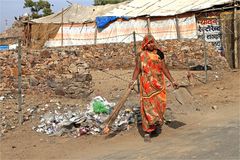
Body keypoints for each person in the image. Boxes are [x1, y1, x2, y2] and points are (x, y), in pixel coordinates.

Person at [130, 34, 178, 142]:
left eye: (153, 42)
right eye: (149, 43)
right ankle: (147, 131)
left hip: (159, 85)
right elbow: (137, 69)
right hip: (146, 86)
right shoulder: (141, 55)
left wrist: (172, 80)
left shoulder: (159, 54)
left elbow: (164, 68)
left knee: (159, 106)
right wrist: (132, 81)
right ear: (145, 44)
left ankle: (156, 126)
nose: (151, 45)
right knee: (147, 107)